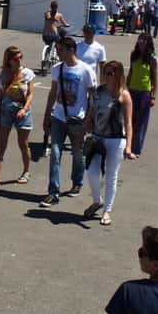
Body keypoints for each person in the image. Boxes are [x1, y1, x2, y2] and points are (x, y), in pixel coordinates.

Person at [40, 37, 97, 207]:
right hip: (58, 117)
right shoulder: (57, 69)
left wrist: (90, 119)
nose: (57, 53)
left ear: (71, 50)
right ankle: (53, 192)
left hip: (78, 119)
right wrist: (47, 115)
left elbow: (93, 97)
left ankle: (77, 182)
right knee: (55, 154)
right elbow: (53, 93)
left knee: (78, 154)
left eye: (60, 50)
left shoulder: (86, 70)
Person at [84, 61, 136, 226]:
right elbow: (92, 111)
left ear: (118, 75)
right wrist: (86, 126)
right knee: (92, 172)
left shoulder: (124, 95)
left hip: (116, 140)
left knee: (111, 176)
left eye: (109, 73)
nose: (106, 76)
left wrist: (129, 146)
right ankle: (97, 200)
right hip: (97, 137)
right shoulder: (99, 91)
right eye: (104, 72)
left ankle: (107, 210)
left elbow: (128, 123)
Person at [0, 46, 34, 192]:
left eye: (21, 57)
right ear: (9, 60)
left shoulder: (27, 73)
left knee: (23, 143)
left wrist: (24, 109)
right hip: (6, 111)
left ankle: (26, 172)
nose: (19, 60)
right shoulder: (3, 76)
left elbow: (31, 94)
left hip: (23, 111)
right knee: (1, 146)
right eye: (16, 58)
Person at [127, 33, 158, 156]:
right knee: (129, 119)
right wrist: (125, 88)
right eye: (140, 40)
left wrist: (153, 96)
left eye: (144, 40)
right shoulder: (133, 55)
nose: (141, 42)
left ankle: (136, 148)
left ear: (148, 43)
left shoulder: (151, 58)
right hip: (132, 90)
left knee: (141, 122)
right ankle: (128, 145)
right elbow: (130, 72)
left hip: (144, 92)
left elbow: (154, 78)